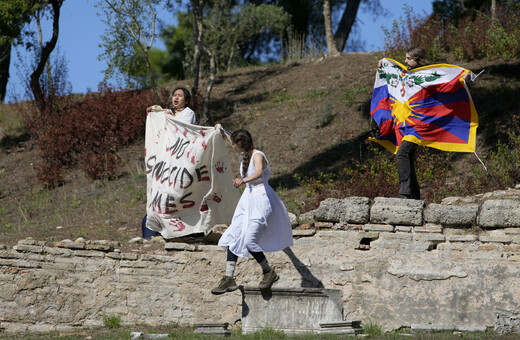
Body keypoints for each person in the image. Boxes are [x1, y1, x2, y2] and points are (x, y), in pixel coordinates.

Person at [377, 47, 470, 200]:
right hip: (404, 125)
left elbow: (444, 84)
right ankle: (414, 195)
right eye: (405, 58)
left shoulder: (426, 75)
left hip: (420, 124)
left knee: (402, 153)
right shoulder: (404, 74)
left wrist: (460, 79)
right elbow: (391, 78)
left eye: (409, 58)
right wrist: (384, 64)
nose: (405, 61)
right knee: (408, 158)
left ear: (418, 60)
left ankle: (404, 193)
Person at [211, 128, 293, 294]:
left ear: (241, 143)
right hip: (247, 200)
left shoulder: (257, 155)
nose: (232, 146)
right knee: (232, 236)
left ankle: (268, 271)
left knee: (249, 241)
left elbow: (258, 172)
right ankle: (229, 278)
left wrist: (243, 180)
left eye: (234, 144)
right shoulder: (244, 154)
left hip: (261, 199)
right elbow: (231, 138)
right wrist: (222, 130)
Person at [142, 86, 197, 239]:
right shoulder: (170, 113)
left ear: (186, 100)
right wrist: (156, 112)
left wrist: (166, 115)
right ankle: (153, 234)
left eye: (180, 95)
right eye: (174, 95)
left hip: (180, 162)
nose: (176, 98)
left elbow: (179, 129)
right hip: (166, 162)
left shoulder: (188, 114)